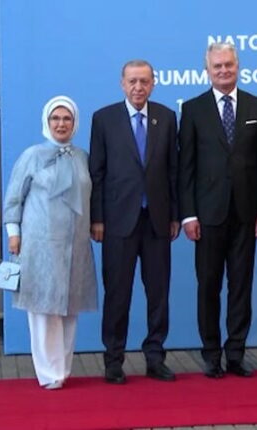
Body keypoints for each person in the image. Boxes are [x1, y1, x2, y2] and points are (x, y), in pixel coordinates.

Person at [178, 43, 257, 378]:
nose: (223, 70)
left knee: (241, 287)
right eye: (217, 66)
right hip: (207, 216)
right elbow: (186, 167)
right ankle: (211, 354)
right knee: (208, 286)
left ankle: (236, 354)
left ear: (238, 66)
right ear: (207, 70)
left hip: (247, 215)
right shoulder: (192, 109)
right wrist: (189, 214)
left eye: (229, 65)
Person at [89, 60, 179, 384]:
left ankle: (155, 358)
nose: (138, 87)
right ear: (122, 84)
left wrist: (174, 214)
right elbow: (97, 173)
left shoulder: (166, 117)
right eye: (132, 81)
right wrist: (97, 218)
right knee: (118, 294)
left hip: (156, 221)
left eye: (144, 81)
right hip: (117, 222)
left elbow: (173, 170)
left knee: (158, 294)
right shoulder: (104, 118)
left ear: (153, 83)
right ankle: (114, 360)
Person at [3, 95, 98, 389]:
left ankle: (63, 369)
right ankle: (48, 372)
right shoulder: (32, 156)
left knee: (69, 308)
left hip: (75, 243)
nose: (61, 124)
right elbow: (14, 197)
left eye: (67, 118)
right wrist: (13, 233)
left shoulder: (82, 157)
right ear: (46, 121)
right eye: (55, 118)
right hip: (40, 243)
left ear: (75, 123)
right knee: (44, 308)